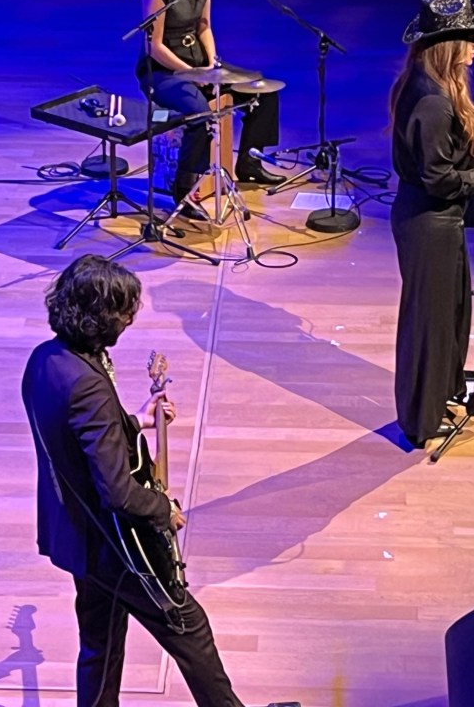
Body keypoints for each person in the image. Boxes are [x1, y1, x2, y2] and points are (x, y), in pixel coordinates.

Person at [22, 254, 292, 707]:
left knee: (100, 646)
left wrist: (133, 424)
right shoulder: (88, 386)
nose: (129, 320)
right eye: (123, 312)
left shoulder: (44, 360)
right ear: (100, 317)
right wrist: (163, 509)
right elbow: (117, 491)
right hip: (120, 548)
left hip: (77, 540)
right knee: (189, 628)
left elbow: (75, 441)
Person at [388, 0, 474, 449]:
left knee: (451, 313)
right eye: (470, 37)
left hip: (439, 219)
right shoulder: (432, 100)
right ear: (449, 43)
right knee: (429, 322)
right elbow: (438, 177)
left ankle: (438, 396)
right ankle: (419, 421)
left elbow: (453, 143)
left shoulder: (436, 86)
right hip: (428, 222)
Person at [136, 0, 284, 219]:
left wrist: (213, 64)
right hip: (163, 72)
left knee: (263, 91)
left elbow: (204, 26)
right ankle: (184, 190)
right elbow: (154, 46)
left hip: (198, 64)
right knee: (200, 113)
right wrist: (192, 74)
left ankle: (249, 163)